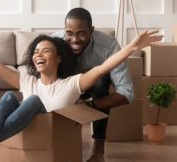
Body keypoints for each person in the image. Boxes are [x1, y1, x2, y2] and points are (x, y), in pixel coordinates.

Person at [0, 21, 162, 157]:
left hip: (51, 135)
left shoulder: (71, 84)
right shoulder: (27, 81)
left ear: (58, 58)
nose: (39, 54)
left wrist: (132, 46)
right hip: (26, 130)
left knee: (32, 101)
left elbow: (105, 66)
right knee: (10, 95)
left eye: (46, 51)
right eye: (36, 51)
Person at [51, 7, 135, 161]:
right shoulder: (54, 42)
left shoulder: (109, 46)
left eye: (81, 33)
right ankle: (58, 144)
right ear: (65, 31)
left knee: (101, 81)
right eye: (69, 33)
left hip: (94, 89)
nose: (75, 40)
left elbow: (127, 92)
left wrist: (90, 106)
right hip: (64, 85)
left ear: (91, 30)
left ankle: (98, 151)